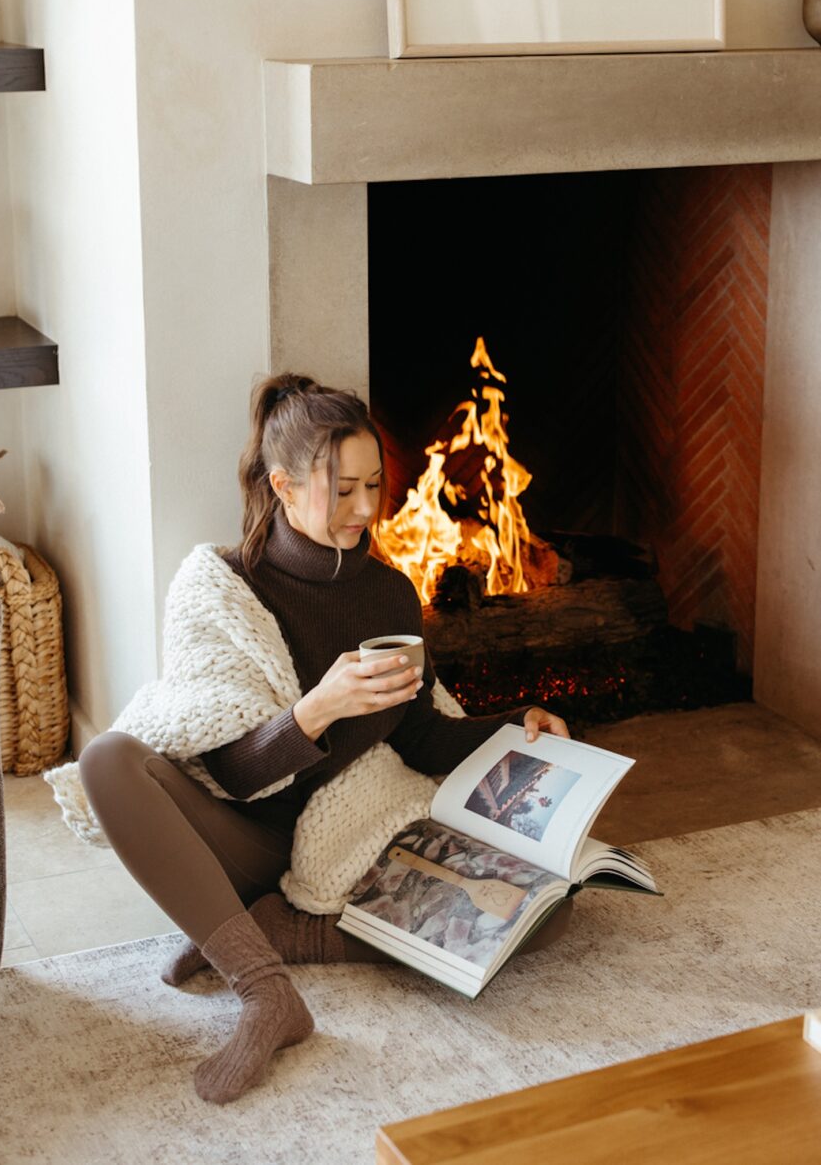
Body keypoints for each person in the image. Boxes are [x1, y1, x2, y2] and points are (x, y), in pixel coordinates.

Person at [77, 373, 571, 1104]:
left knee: (543, 911)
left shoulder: (388, 593)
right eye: (342, 490)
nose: (366, 509)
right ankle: (263, 988)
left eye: (374, 485)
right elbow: (234, 775)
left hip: (348, 836)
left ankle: (285, 933)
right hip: (244, 833)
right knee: (107, 760)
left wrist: (519, 729)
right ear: (281, 483)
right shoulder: (218, 587)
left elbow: (422, 735)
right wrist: (315, 711)